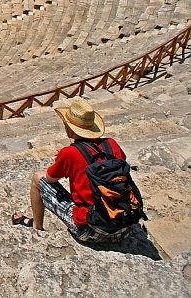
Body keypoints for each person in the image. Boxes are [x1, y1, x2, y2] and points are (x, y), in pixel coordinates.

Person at [12, 98, 132, 243]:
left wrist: (63, 159)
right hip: (124, 224)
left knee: (38, 178)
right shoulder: (112, 144)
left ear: (68, 128)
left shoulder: (70, 153)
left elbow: (50, 179)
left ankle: (37, 226)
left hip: (91, 230)